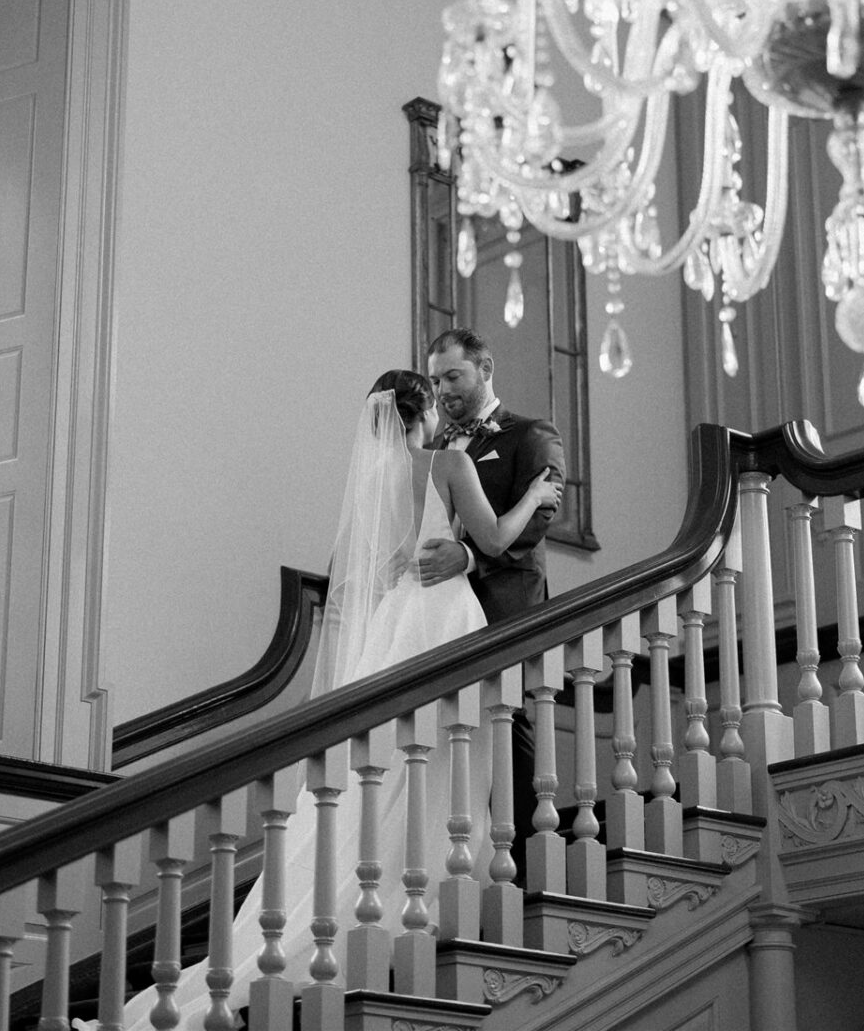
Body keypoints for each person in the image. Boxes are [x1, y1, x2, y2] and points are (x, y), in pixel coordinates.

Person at [100, 371, 562, 1031]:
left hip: (393, 621)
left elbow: (377, 565)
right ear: (424, 412)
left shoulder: (372, 481)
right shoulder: (448, 464)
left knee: (388, 761)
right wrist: (534, 495)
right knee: (448, 751)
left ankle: (372, 894)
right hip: (444, 615)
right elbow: (493, 541)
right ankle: (441, 889)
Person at [416, 328, 568, 623]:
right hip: (438, 604)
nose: (442, 391)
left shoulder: (532, 435)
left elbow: (538, 518)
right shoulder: (433, 448)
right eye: (435, 381)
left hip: (504, 603)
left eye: (453, 377)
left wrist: (468, 555)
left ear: (485, 369)